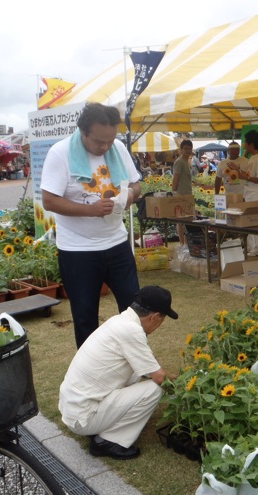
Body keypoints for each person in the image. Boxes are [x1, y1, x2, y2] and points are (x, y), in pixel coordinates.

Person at [41, 102, 142, 348]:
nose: (105, 147)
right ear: (83, 131)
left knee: (134, 309)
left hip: (117, 243)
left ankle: (133, 360)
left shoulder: (118, 148)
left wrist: (130, 195)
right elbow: (49, 200)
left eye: (110, 140)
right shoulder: (60, 153)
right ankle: (90, 369)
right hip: (78, 250)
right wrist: (91, 210)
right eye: (99, 141)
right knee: (85, 316)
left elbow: (136, 184)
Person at [59, 286, 178, 460]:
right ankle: (108, 441)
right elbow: (159, 377)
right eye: (162, 320)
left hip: (73, 408)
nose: (160, 325)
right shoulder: (132, 331)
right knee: (154, 389)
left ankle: (103, 425)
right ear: (154, 317)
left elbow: (147, 369)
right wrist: (183, 382)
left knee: (137, 374)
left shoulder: (119, 321)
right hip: (83, 418)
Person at [229, 130, 258, 256]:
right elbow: (248, 175)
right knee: (250, 223)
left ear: (251, 144)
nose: (244, 145)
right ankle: (251, 247)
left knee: (255, 223)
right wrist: (238, 170)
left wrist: (246, 177)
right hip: (250, 194)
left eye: (245, 142)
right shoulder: (253, 158)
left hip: (256, 195)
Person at [171, 139, 194, 247]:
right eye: (185, 148)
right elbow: (175, 178)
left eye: (189, 148)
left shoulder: (186, 161)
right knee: (180, 221)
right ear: (181, 150)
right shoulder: (179, 162)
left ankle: (186, 243)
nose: (188, 150)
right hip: (181, 195)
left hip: (188, 194)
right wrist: (174, 194)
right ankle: (181, 243)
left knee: (187, 220)